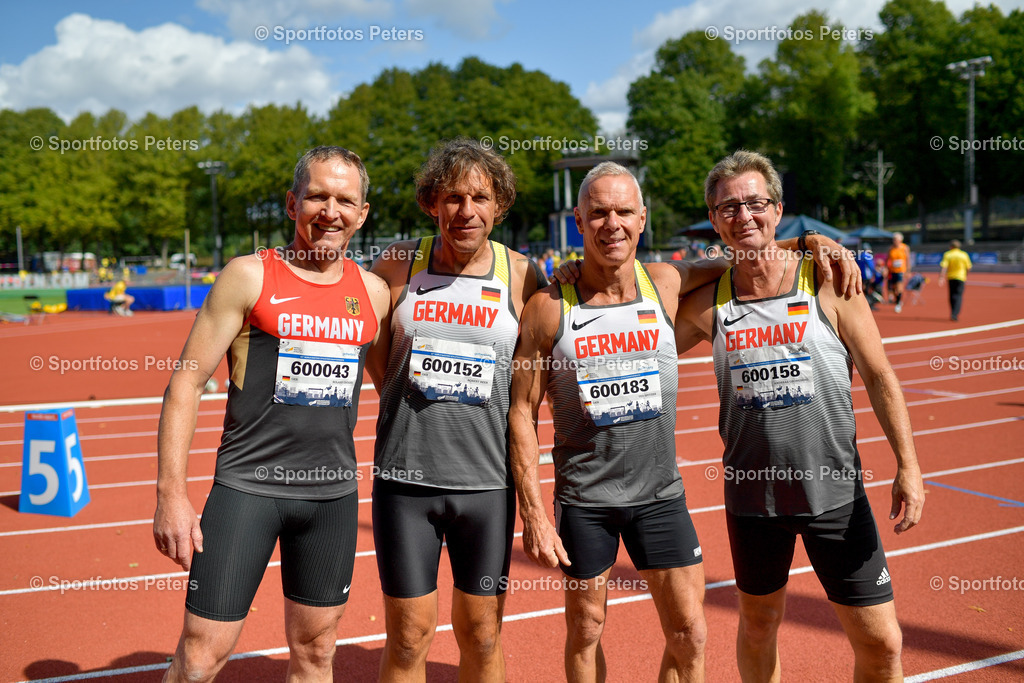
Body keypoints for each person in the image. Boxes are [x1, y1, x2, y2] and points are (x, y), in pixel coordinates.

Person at [675, 150, 925, 680]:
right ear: (714, 220)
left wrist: (909, 465)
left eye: (755, 203)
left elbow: (880, 376)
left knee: (882, 644)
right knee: (759, 624)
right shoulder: (710, 303)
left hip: (834, 494)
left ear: (778, 209)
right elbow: (638, 332)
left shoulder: (830, 281)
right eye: (728, 208)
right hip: (753, 499)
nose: (744, 216)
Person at [153, 146, 390, 682]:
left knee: (317, 652)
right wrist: (171, 495)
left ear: (362, 213)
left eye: (345, 200)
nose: (330, 211)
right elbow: (186, 382)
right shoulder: (248, 276)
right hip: (247, 490)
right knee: (200, 657)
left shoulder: (373, 294)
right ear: (291, 203)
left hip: (331, 497)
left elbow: (392, 389)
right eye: (317, 197)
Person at [510, 162, 722, 681]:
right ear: (579, 221)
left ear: (642, 219)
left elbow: (736, 256)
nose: (612, 224)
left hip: (660, 495)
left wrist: (808, 243)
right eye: (599, 213)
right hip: (586, 500)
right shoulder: (547, 308)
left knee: (690, 631)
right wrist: (533, 513)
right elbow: (521, 412)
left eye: (624, 212)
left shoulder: (665, 282)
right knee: (586, 627)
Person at [368, 137, 547, 681]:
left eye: (480, 198)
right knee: (407, 639)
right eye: (452, 198)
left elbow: (529, 390)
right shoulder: (398, 263)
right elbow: (380, 364)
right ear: (431, 203)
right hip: (405, 482)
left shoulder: (524, 275)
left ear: (500, 205)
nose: (465, 211)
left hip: (487, 486)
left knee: (484, 635)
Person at [939, 239, 972, 321]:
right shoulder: (964, 254)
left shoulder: (948, 254)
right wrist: (966, 275)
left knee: (952, 295)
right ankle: (955, 313)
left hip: (951, 277)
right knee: (959, 295)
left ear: (951, 247)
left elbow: (944, 267)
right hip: (961, 277)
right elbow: (968, 267)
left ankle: (953, 312)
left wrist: (941, 277)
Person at [885, 232, 911, 313]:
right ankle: (897, 299)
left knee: (899, 286)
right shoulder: (891, 248)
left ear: (900, 240)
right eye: (893, 239)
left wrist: (908, 271)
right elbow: (887, 259)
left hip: (901, 270)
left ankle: (898, 303)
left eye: (895, 239)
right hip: (892, 270)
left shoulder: (905, 248)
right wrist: (886, 268)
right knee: (892, 288)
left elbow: (908, 260)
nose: (894, 241)